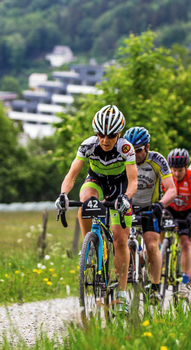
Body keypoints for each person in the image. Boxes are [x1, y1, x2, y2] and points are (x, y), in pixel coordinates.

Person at [55, 105, 138, 314]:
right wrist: (63, 194)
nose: (105, 140)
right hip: (96, 180)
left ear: (119, 134)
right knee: (85, 201)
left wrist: (126, 199)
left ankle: (120, 295)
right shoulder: (87, 146)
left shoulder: (126, 148)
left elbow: (133, 181)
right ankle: (89, 246)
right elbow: (72, 174)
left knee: (120, 239)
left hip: (120, 186)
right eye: (101, 134)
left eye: (110, 135)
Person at [123, 126, 176, 304]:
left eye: (138, 150)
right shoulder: (123, 158)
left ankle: (154, 287)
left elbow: (171, 189)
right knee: (120, 240)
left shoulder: (157, 160)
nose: (134, 154)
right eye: (130, 150)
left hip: (149, 207)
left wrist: (161, 205)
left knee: (152, 246)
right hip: (128, 206)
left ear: (147, 147)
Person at [165, 148, 191, 299]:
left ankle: (185, 281)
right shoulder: (167, 177)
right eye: (173, 170)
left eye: (180, 170)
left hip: (188, 212)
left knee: (186, 243)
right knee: (156, 234)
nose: (176, 174)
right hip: (170, 209)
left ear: (186, 167)